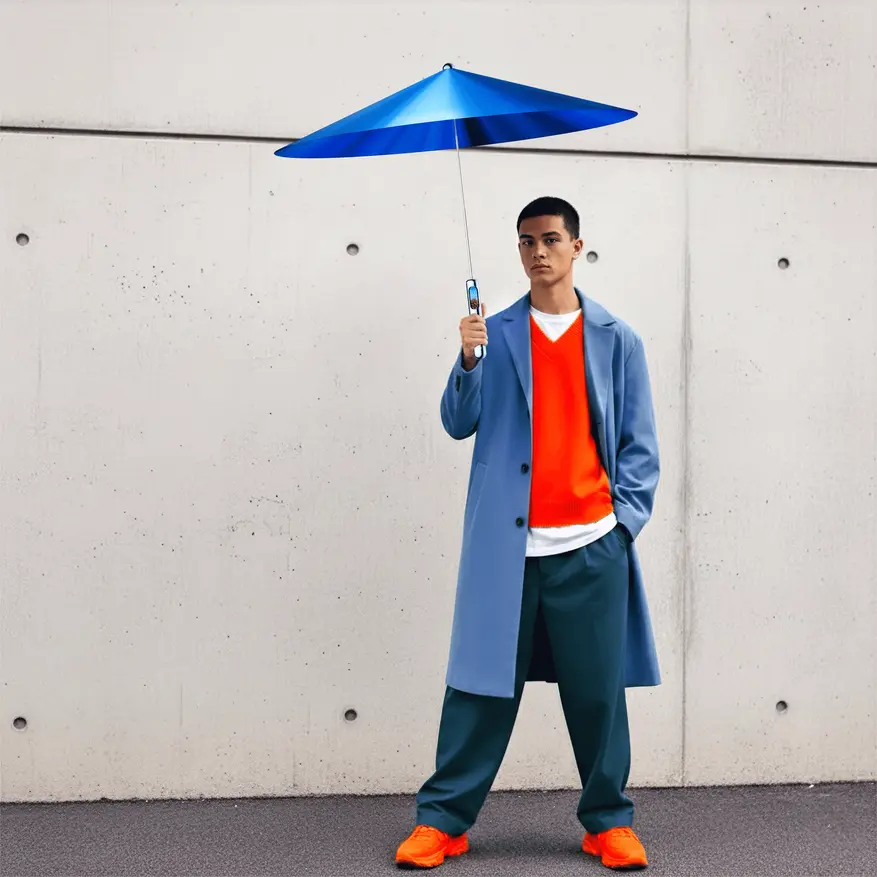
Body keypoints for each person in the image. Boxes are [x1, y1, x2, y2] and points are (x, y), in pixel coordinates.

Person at [394, 196, 661, 872]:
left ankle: (608, 822)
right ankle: (442, 821)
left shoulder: (617, 338)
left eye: (550, 239)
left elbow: (639, 445)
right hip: (506, 550)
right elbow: (458, 422)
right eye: (525, 241)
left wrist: (621, 526)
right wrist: (469, 359)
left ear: (576, 247)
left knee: (598, 693)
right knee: (477, 689)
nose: (537, 252)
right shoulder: (495, 332)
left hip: (591, 544)